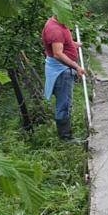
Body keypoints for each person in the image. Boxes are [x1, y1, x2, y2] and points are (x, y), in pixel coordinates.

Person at [42, 15, 85, 143]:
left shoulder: (60, 24)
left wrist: (74, 44)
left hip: (63, 69)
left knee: (65, 103)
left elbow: (63, 44)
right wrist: (76, 66)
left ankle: (66, 135)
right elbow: (58, 53)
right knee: (64, 104)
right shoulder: (55, 29)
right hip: (61, 71)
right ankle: (65, 137)